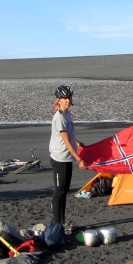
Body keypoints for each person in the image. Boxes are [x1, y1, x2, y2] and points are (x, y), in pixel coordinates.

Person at [49, 85, 86, 232]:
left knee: (64, 191)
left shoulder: (67, 114)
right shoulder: (59, 118)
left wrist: (77, 142)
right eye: (65, 98)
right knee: (59, 191)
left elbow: (69, 136)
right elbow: (66, 142)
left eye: (69, 97)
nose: (68, 100)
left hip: (66, 157)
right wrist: (79, 159)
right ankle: (56, 224)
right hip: (60, 158)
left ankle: (62, 222)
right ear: (58, 100)